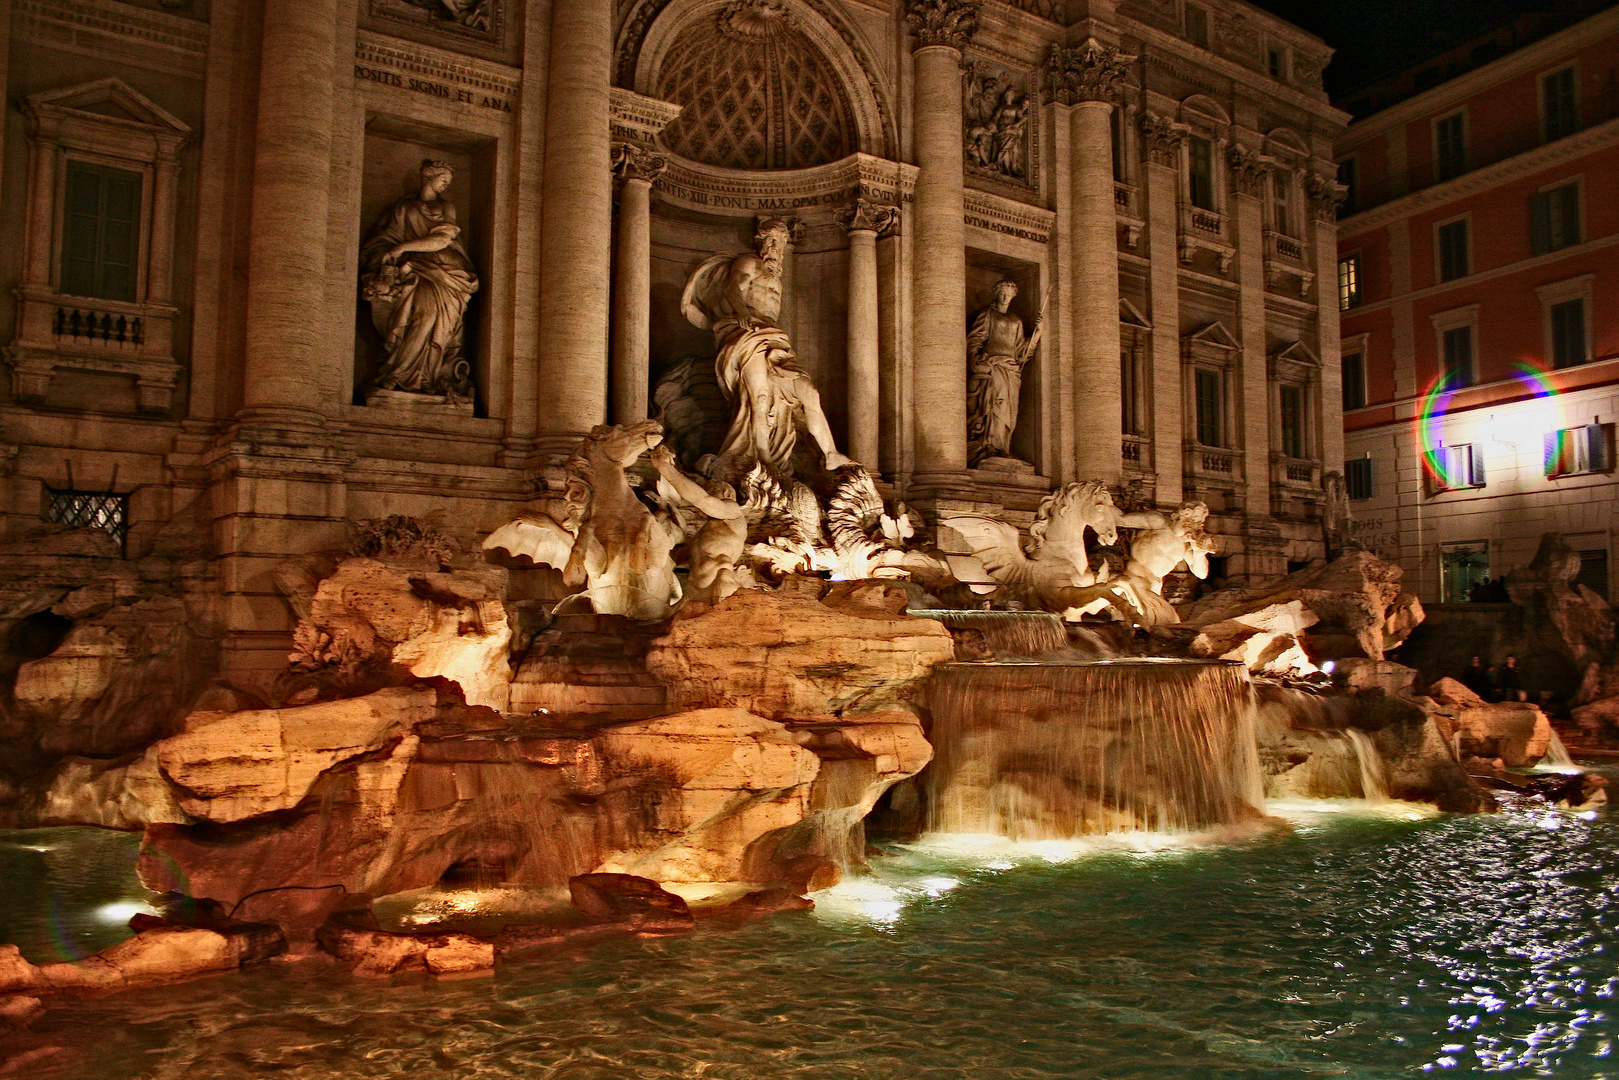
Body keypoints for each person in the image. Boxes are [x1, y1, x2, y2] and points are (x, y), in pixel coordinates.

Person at [680, 219, 855, 483]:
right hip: (745, 334)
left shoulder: (777, 274)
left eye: (780, 242)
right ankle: (763, 458)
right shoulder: (749, 262)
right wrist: (741, 314)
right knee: (758, 399)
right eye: (770, 241)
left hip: (774, 339)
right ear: (761, 242)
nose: (775, 247)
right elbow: (733, 288)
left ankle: (831, 453)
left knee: (809, 391)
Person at [359, 159, 479, 403]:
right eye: (443, 178)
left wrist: (402, 248)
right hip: (413, 269)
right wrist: (387, 255)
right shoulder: (404, 207)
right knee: (419, 317)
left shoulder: (447, 207)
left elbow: (442, 240)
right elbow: (387, 237)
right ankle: (402, 375)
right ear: (428, 176)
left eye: (449, 181)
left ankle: (424, 377)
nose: (446, 184)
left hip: (445, 271)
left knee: (433, 319)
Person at [966, 279, 1042, 466]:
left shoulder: (1016, 320)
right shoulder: (987, 315)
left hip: (1011, 370)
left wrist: (1038, 333)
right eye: (1001, 292)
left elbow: (1021, 352)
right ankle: (990, 445)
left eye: (1008, 293)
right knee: (995, 405)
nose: (1004, 296)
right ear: (995, 293)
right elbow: (975, 339)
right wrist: (973, 360)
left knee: (1009, 410)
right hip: (993, 366)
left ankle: (1003, 446)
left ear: (1013, 296)